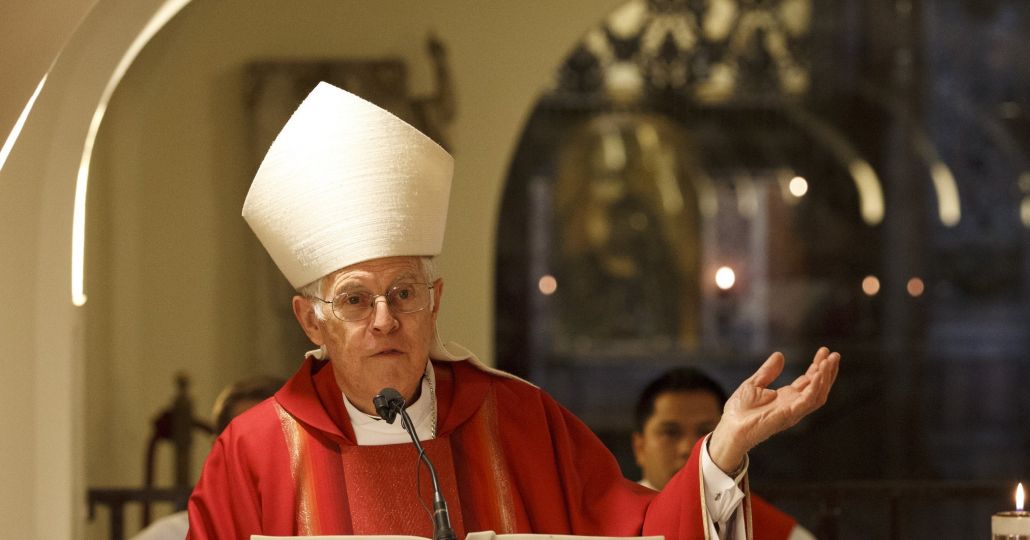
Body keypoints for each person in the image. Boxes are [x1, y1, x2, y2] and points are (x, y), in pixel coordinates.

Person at [185, 82, 841, 539]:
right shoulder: (253, 454)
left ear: (434, 302)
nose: (385, 319)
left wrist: (723, 444)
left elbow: (640, 535)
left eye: (404, 293)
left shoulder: (520, 421)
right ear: (311, 321)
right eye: (355, 299)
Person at [633, 367, 816, 539]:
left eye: (705, 432)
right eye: (670, 433)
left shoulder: (778, 534)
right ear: (640, 447)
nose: (687, 448)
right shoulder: (612, 525)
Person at [132, 376, 283, 540]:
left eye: (276, 440)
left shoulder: (312, 528)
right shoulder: (168, 536)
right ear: (218, 449)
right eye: (246, 441)